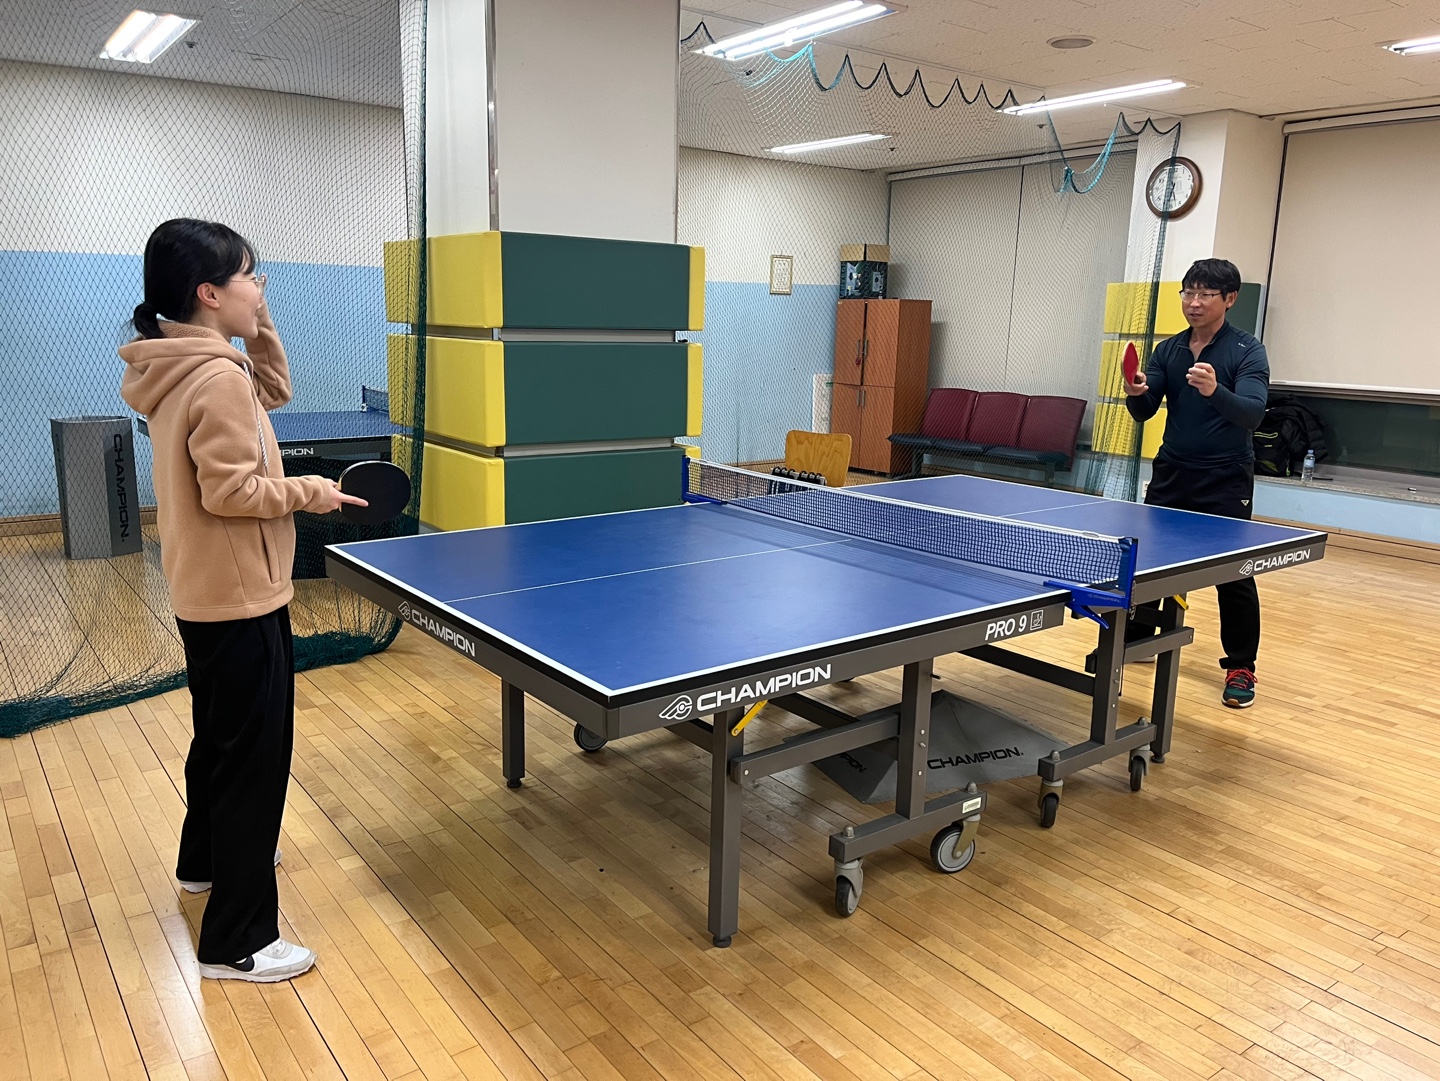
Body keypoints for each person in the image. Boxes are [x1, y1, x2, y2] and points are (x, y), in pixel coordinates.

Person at [119, 219, 366, 981]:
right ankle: (239, 938)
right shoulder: (217, 378)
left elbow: (275, 390)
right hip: (241, 594)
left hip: (207, 589)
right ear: (208, 292)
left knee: (221, 743)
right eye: (251, 278)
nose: (261, 289)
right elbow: (231, 491)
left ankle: (203, 861)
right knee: (255, 762)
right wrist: (312, 490)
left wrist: (256, 317)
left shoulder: (185, 364)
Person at [1121, 257, 1269, 708]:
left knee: (1233, 573)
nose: (1194, 302)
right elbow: (1145, 411)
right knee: (1152, 562)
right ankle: (1141, 636)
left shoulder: (1247, 350)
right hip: (1172, 472)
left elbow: (1253, 413)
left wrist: (1214, 390)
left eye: (1206, 294)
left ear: (1230, 299)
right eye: (1189, 292)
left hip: (1225, 479)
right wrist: (1136, 392)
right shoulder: (1169, 349)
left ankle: (1241, 666)